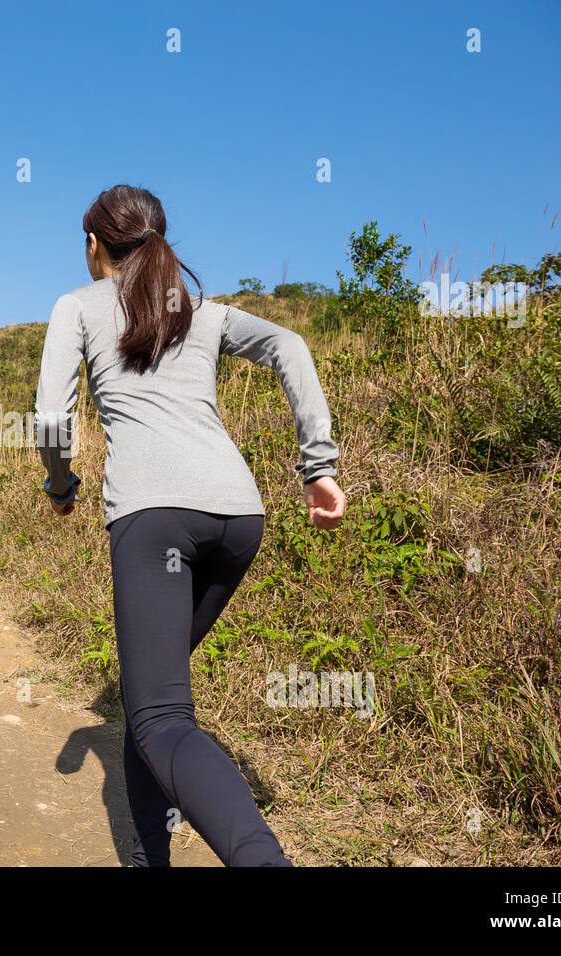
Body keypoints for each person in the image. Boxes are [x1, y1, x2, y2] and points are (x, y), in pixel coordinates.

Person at [33, 184, 347, 866]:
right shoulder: (200, 311)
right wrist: (316, 467)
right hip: (238, 516)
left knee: (159, 717)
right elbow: (290, 346)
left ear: (95, 246)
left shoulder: (77, 306)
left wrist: (61, 487)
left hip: (155, 519)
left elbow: (53, 422)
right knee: (155, 705)